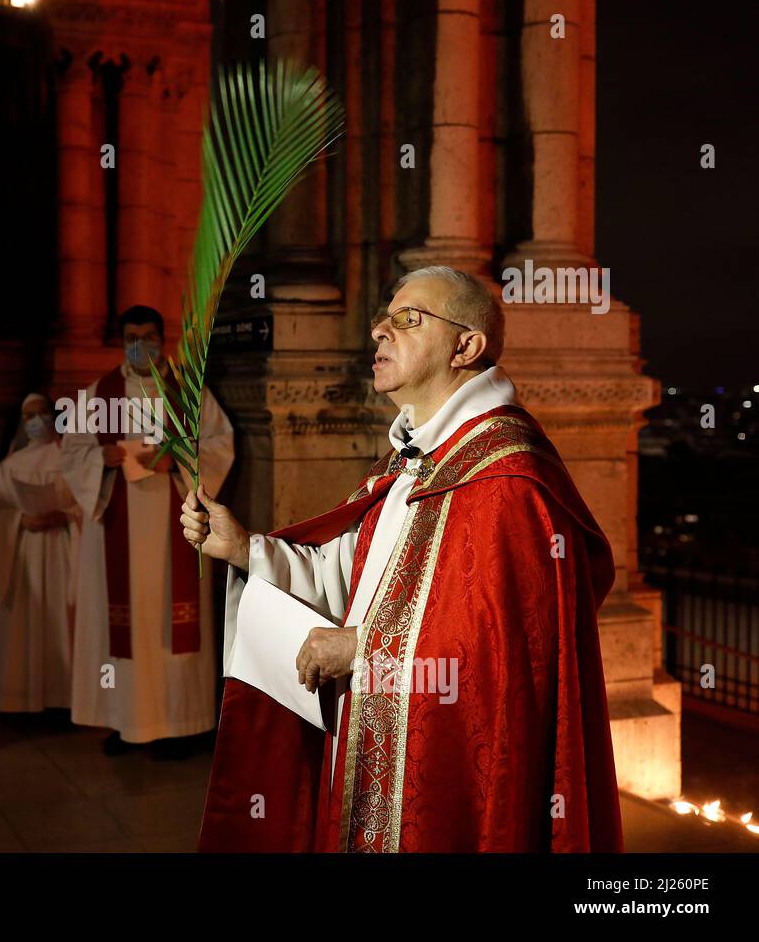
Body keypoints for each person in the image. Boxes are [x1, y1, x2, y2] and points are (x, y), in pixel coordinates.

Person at [182, 266, 623, 851]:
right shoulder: (416, 459)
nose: (379, 332)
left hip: (444, 777)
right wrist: (243, 548)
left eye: (408, 319)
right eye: (383, 317)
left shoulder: (508, 480)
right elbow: (355, 578)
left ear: (465, 346)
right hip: (370, 731)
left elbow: (503, 661)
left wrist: (362, 648)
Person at [61, 305, 235, 757]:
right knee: (125, 624)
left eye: (149, 335)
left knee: (168, 620)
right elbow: (71, 452)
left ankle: (180, 724)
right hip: (116, 524)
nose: (141, 343)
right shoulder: (99, 394)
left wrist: (175, 460)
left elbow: (219, 443)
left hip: (174, 522)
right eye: (132, 336)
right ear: (122, 341)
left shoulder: (188, 392)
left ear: (163, 338)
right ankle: (125, 721)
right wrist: (102, 459)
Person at [0, 393, 81, 713]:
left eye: (42, 413)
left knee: (62, 619)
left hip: (62, 550)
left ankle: (64, 699)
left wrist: (64, 516)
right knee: (27, 622)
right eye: (29, 416)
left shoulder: (73, 460)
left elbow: (90, 506)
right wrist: (19, 519)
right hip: (22, 555)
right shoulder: (11, 466)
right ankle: (19, 698)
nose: (37, 421)